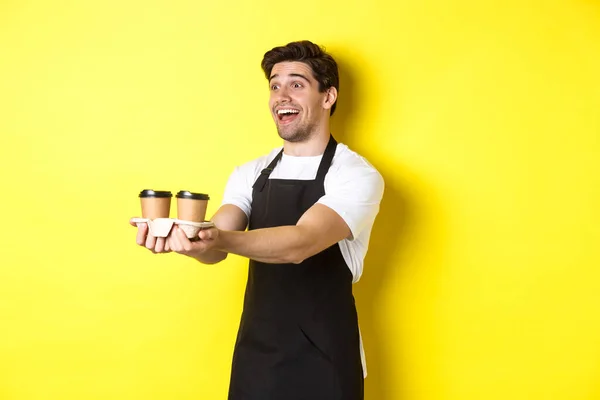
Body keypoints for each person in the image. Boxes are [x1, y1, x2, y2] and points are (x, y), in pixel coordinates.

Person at [131, 40, 384, 400]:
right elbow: (215, 243)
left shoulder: (355, 174)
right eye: (275, 85)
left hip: (327, 361)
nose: (282, 95)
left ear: (328, 97)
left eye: (296, 84)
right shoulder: (251, 173)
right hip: (258, 359)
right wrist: (187, 240)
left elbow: (302, 242)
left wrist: (216, 239)